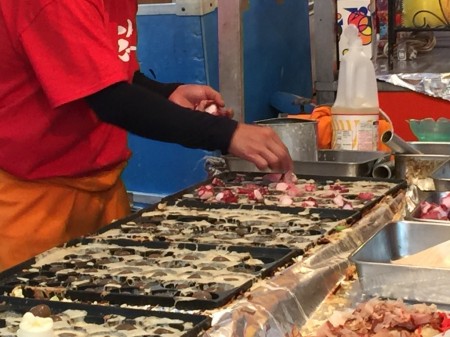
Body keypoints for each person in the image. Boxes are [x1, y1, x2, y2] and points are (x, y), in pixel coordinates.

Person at [0, 1, 293, 270]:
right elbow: (110, 100)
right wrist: (227, 134)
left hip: (99, 186)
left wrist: (167, 93)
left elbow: (108, 73)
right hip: (29, 200)